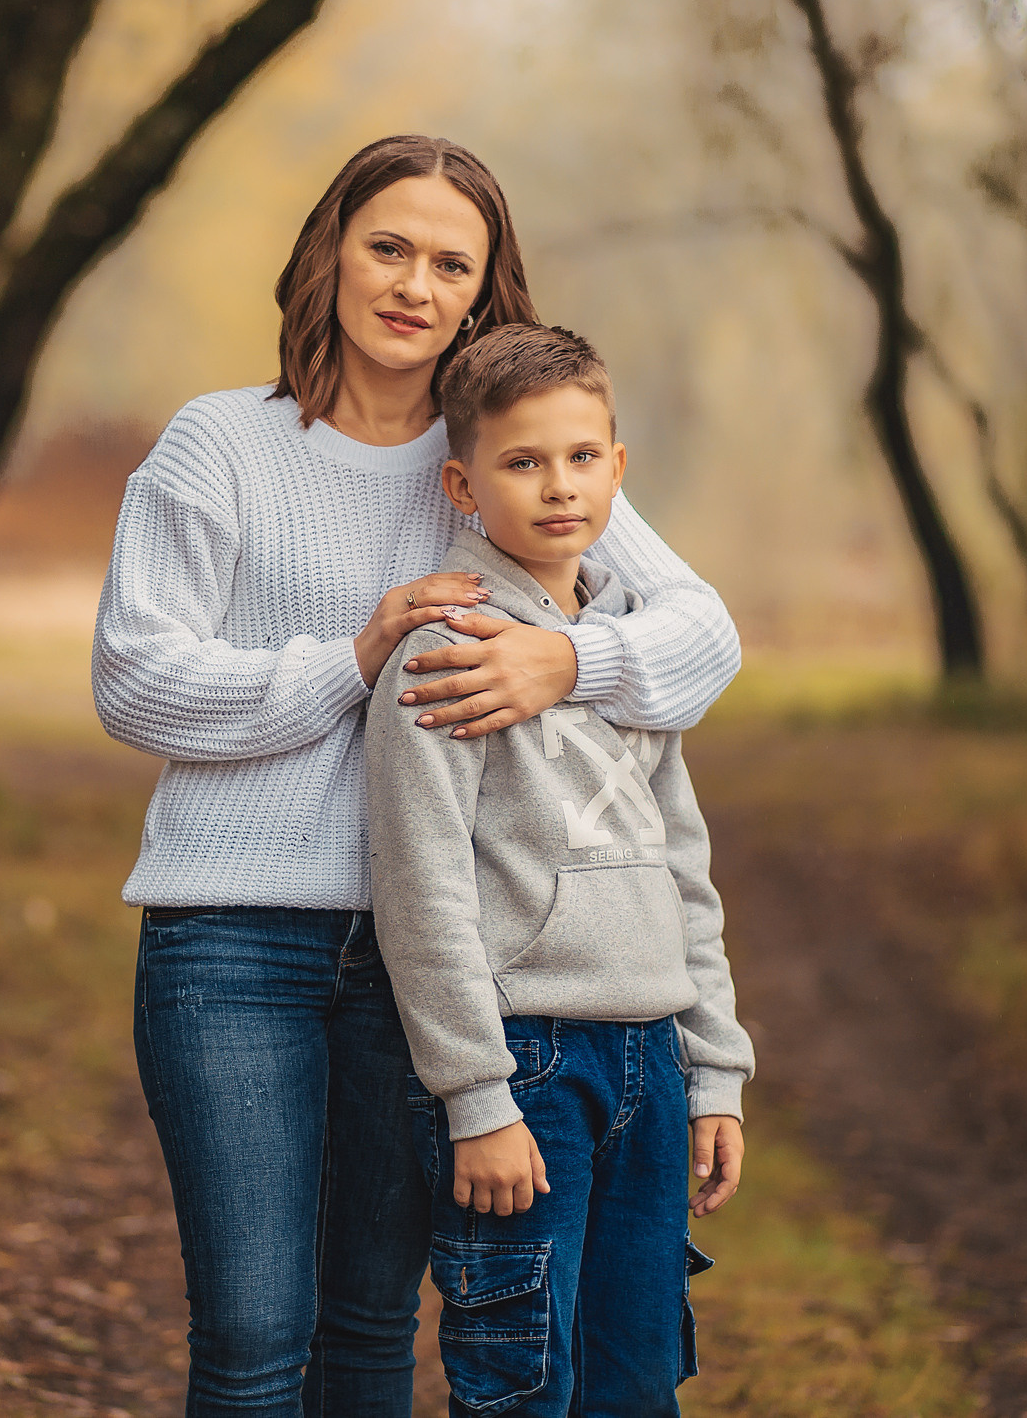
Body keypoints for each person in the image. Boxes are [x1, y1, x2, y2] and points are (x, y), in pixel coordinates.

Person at [91, 135, 741, 1417]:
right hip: (233, 943)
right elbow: (135, 679)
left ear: (486, 284)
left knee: (375, 1326)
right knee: (252, 1336)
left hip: (429, 961)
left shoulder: (499, 453)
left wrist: (567, 658)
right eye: (388, 247)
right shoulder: (220, 445)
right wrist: (353, 656)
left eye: (454, 262)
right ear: (328, 251)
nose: (415, 284)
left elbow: (702, 635)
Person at [364, 323, 752, 1418]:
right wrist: (477, 1101)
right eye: (521, 462)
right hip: (524, 1067)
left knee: (635, 1383)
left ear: (617, 472)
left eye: (581, 458)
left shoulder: (633, 647)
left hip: (651, 1060)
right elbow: (422, 888)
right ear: (461, 481)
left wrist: (714, 1069)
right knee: (523, 1381)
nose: (557, 487)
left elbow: (684, 867)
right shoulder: (445, 649)